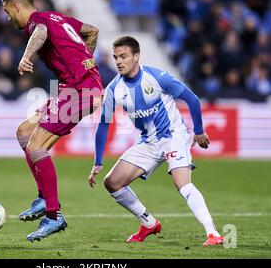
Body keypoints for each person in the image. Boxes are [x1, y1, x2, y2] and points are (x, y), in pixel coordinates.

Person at [88, 36, 224, 246]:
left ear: (136, 56)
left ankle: (212, 233)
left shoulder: (157, 77)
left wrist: (198, 131)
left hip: (173, 136)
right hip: (148, 142)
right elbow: (103, 125)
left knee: (182, 183)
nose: (119, 62)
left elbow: (192, 99)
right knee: (112, 183)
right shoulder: (114, 89)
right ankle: (149, 223)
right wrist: (98, 160)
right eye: (116, 57)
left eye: (123, 56)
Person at [2, 0, 103, 241]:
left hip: (80, 91)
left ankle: (54, 215)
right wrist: (83, 60)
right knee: (24, 131)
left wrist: (26, 56)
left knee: (36, 146)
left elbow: (41, 32)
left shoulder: (38, 22)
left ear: (16, 7)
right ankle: (43, 198)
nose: (7, 17)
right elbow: (92, 31)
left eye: (7, 11)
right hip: (76, 89)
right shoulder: (57, 17)